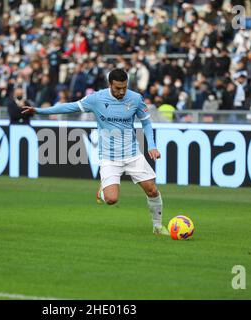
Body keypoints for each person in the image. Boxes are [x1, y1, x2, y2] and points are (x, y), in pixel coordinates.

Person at [22, 69, 168, 236]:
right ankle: (104, 190)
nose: (121, 92)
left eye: (124, 88)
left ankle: (157, 227)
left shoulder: (135, 98)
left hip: (132, 153)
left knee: (152, 190)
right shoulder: (97, 98)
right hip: (109, 157)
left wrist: (152, 145)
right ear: (110, 85)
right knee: (112, 200)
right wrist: (39, 111)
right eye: (117, 88)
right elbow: (70, 107)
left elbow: (146, 123)